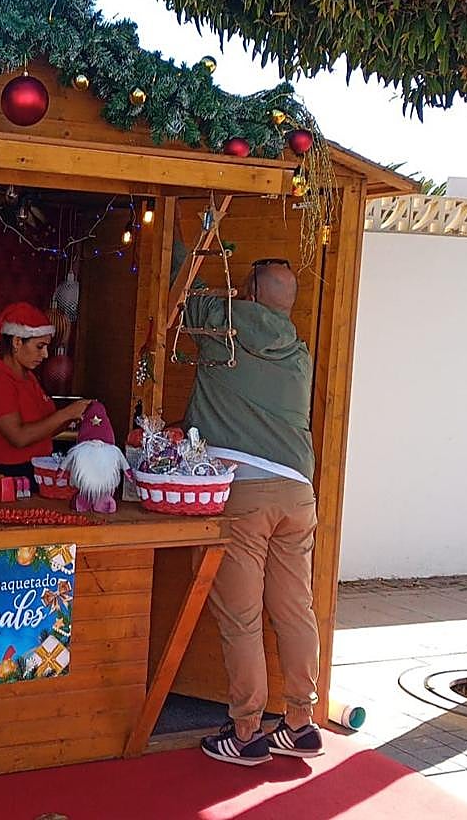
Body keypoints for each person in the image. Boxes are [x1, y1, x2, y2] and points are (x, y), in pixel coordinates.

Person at [184, 259, 325, 766]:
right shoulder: (299, 353)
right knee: (294, 609)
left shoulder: (225, 327)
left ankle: (246, 732)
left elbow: (184, 286)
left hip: (243, 490)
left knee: (241, 617)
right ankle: (300, 722)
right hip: (297, 493)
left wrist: (193, 232)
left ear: (246, 292)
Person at [0, 302, 91, 493]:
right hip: (7, 475)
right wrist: (66, 413)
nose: (45, 355)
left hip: (35, 470)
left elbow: (44, 429)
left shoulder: (30, 379)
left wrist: (75, 416)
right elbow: (18, 437)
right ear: (17, 342)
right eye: (40, 347)